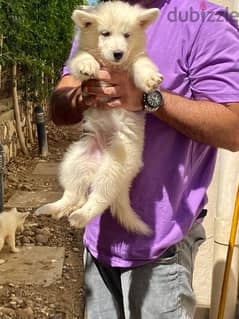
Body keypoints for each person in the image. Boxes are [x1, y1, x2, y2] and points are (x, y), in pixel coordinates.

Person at [50, 0, 239, 318]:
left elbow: (233, 128)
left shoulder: (204, 19)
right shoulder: (98, 13)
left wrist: (148, 98)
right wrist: (84, 93)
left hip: (161, 248)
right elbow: (60, 106)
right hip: (98, 239)